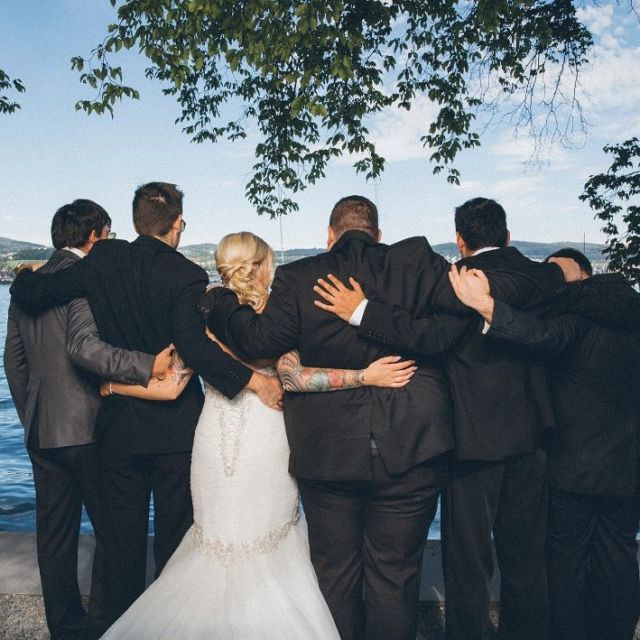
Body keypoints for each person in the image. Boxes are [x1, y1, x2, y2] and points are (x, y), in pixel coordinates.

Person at [97, 231, 415, 639]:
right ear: (263, 265)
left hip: (214, 440)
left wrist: (109, 387)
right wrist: (364, 376)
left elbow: (173, 384)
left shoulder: (202, 315)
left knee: (215, 537)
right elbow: (294, 378)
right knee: (266, 535)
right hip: (268, 436)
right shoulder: (278, 313)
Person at [9, 183, 283, 626]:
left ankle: (122, 628)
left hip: (118, 426)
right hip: (175, 430)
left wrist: (22, 281)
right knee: (176, 541)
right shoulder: (185, 275)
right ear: (177, 225)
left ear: (136, 222)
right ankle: (171, 626)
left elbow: (41, 294)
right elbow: (194, 349)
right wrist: (252, 379)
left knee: (121, 546)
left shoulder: (102, 259)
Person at [208, 198, 469, 640]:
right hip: (412, 445)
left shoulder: (299, 276)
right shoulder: (419, 262)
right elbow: (454, 328)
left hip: (327, 449)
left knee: (333, 573)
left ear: (330, 235)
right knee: (396, 574)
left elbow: (255, 341)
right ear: (378, 234)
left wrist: (219, 302)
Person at [313, 198, 564, 640]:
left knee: (468, 566)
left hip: (474, 443)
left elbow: (427, 337)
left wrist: (362, 311)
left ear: (460, 240)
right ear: (507, 237)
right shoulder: (540, 277)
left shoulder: (459, 284)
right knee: (527, 563)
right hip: (534, 439)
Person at [448, 248, 640, 640]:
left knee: (565, 564)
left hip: (572, 465)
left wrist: (486, 306)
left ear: (578, 277)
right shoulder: (631, 312)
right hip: (628, 466)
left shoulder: (576, 319)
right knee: (619, 558)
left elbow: (538, 334)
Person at [4, 200, 166, 640]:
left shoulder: (27, 288)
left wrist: (31, 413)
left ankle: (65, 625)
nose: (110, 243)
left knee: (54, 535)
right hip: (92, 427)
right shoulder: (85, 281)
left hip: (42, 429)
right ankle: (105, 621)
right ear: (94, 236)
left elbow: (13, 362)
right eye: (109, 235)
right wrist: (149, 364)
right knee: (114, 531)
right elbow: (88, 349)